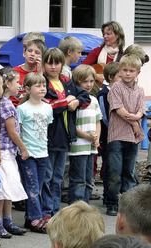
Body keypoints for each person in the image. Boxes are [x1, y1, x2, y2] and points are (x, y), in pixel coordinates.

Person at [41, 48, 90, 222]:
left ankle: (55, 211)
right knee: (46, 177)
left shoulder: (66, 81)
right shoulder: (42, 82)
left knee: (58, 177)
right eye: (49, 63)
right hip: (49, 135)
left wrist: (76, 101)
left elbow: (85, 96)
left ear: (62, 64)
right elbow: (47, 106)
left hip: (65, 136)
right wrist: (65, 102)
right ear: (44, 64)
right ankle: (46, 211)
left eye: (57, 63)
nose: (53, 67)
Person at [104, 55, 147, 216]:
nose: (127, 74)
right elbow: (119, 110)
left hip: (132, 137)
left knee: (129, 171)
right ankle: (112, 202)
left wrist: (138, 115)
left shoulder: (140, 90)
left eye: (131, 71)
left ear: (137, 73)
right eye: (124, 70)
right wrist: (135, 121)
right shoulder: (116, 88)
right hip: (117, 135)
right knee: (115, 171)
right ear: (120, 71)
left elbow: (142, 108)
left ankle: (127, 203)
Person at [0, 68, 29, 239]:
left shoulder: (5, 102)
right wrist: (23, 148)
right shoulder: (5, 104)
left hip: (8, 152)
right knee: (3, 189)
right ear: (7, 83)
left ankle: (7, 220)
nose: (19, 85)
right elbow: (12, 132)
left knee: (9, 189)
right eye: (17, 82)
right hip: (5, 152)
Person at [16, 73, 53, 233]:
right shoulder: (22, 109)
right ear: (27, 89)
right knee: (31, 186)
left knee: (38, 187)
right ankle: (36, 218)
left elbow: (47, 129)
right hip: (27, 154)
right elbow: (18, 131)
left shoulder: (48, 107)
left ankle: (30, 217)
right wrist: (23, 149)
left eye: (43, 85)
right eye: (38, 86)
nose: (42, 88)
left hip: (42, 153)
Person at [67, 65, 101, 204]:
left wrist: (96, 137)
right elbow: (71, 125)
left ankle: (85, 207)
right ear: (77, 82)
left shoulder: (93, 100)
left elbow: (98, 121)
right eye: (85, 81)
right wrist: (86, 136)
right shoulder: (74, 100)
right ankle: (75, 208)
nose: (89, 85)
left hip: (91, 146)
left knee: (88, 179)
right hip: (78, 146)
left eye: (91, 81)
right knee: (78, 180)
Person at [97, 61, 120, 201]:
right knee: (109, 167)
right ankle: (108, 196)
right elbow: (104, 116)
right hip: (108, 136)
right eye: (120, 76)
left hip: (120, 135)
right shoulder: (103, 94)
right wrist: (114, 129)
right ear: (111, 77)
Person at [11, 39, 46, 106]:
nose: (32, 54)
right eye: (30, 51)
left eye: (37, 52)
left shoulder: (42, 72)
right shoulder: (14, 72)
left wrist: (40, 73)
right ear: (24, 53)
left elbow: (41, 94)